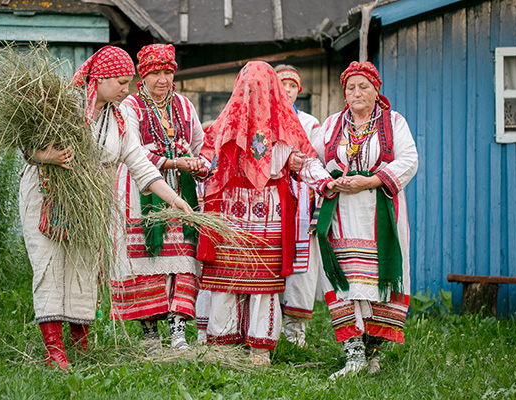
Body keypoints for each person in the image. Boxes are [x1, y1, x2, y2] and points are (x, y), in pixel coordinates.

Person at [19, 46, 192, 370]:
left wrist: (174, 200)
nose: (127, 89)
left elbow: (140, 164)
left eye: (128, 82)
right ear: (99, 79)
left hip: (90, 203)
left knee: (85, 268)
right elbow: (27, 144)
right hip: (47, 196)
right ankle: (54, 349)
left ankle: (80, 342)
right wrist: (48, 156)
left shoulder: (118, 118)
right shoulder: (63, 105)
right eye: (121, 82)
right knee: (49, 266)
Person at [298, 61, 418, 379]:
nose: (356, 92)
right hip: (341, 215)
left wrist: (371, 181)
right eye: (350, 87)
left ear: (376, 90)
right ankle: (353, 355)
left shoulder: (394, 122)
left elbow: (409, 159)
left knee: (379, 283)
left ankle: (372, 353)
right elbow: (309, 159)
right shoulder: (332, 125)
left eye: (363, 86)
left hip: (379, 215)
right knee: (345, 283)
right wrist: (327, 182)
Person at [197, 61, 318, 366]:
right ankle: (223, 344)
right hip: (231, 211)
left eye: (260, 88)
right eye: (248, 88)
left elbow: (304, 160)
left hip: (268, 213)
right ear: (240, 89)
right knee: (226, 275)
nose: (254, 94)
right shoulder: (225, 123)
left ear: (271, 90)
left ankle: (259, 350)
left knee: (263, 281)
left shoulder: (285, 125)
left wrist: (324, 180)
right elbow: (207, 161)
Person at [109, 44, 206, 351]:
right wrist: (173, 162)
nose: (162, 79)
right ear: (143, 75)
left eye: (168, 72)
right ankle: (150, 333)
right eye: (155, 73)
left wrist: (199, 165)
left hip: (181, 189)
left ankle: (178, 331)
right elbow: (131, 150)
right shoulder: (130, 106)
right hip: (141, 190)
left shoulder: (184, 106)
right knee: (146, 258)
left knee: (183, 258)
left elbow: (200, 145)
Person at [274, 64, 322, 347]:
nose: (287, 90)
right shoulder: (265, 118)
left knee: (301, 265)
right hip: (272, 202)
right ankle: (268, 327)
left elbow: (316, 158)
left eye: (292, 86)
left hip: (302, 204)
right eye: (282, 84)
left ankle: (295, 334)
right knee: (272, 259)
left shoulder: (309, 123)